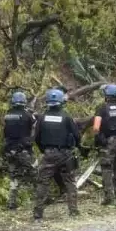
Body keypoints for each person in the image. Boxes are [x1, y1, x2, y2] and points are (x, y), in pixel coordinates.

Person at [33, 89, 81, 221]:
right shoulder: (66, 117)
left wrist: (44, 150)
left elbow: (36, 137)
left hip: (48, 154)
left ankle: (38, 214)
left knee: (43, 182)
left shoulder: (42, 118)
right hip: (65, 154)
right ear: (61, 102)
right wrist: (75, 146)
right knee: (70, 182)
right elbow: (77, 135)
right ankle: (73, 211)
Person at [92, 84, 116, 205]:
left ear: (107, 96)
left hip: (109, 142)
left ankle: (109, 197)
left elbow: (95, 127)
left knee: (106, 169)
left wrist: (99, 139)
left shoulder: (102, 108)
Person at [2, 91, 36, 210]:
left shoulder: (7, 114)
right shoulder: (28, 115)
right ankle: (42, 198)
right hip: (23, 151)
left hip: (9, 151)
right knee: (36, 172)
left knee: (13, 176)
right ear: (24, 102)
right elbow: (34, 127)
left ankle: (12, 202)